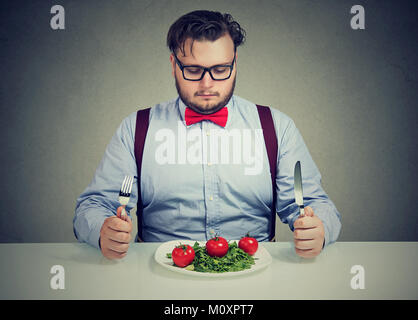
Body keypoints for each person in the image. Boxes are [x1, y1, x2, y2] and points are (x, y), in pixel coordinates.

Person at [73, 10, 341, 260]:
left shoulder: (277, 127)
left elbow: (315, 203)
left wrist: (319, 229)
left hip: (255, 277)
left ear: (235, 62)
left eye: (220, 69)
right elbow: (93, 206)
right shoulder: (136, 128)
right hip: (160, 277)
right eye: (193, 70)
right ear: (173, 64)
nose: (207, 84)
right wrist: (101, 230)